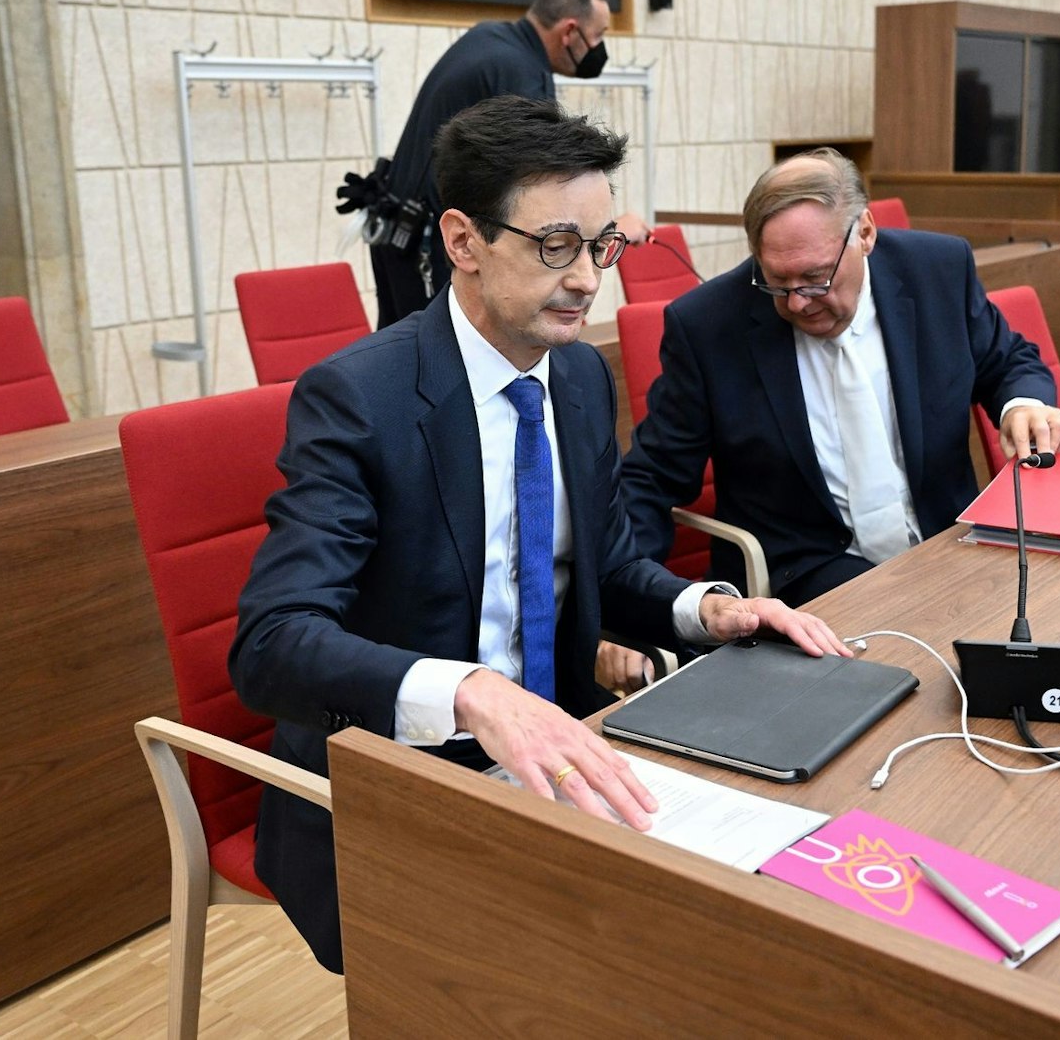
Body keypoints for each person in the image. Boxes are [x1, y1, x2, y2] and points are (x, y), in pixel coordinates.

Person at [232, 96, 849, 972]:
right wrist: (474, 692)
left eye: (601, 245)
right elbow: (272, 644)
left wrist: (705, 609)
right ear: (462, 242)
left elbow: (597, 564)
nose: (589, 278)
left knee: (751, 917)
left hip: (562, 751)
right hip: (400, 773)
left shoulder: (578, 380)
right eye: (556, 245)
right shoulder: (358, 399)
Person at [619, 149, 1060, 607]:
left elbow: (1010, 360)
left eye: (816, 279)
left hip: (948, 545)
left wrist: (1023, 404)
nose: (797, 303)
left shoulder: (937, 270)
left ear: (866, 234)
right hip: (808, 573)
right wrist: (627, 602)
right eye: (777, 282)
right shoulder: (708, 326)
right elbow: (651, 477)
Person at [368, 0, 613, 327]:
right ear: (570, 32)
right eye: (599, 35)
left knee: (398, 353)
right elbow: (543, 190)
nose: (600, 47)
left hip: (396, 231)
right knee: (438, 360)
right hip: (430, 245)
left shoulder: (488, 38)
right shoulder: (523, 74)